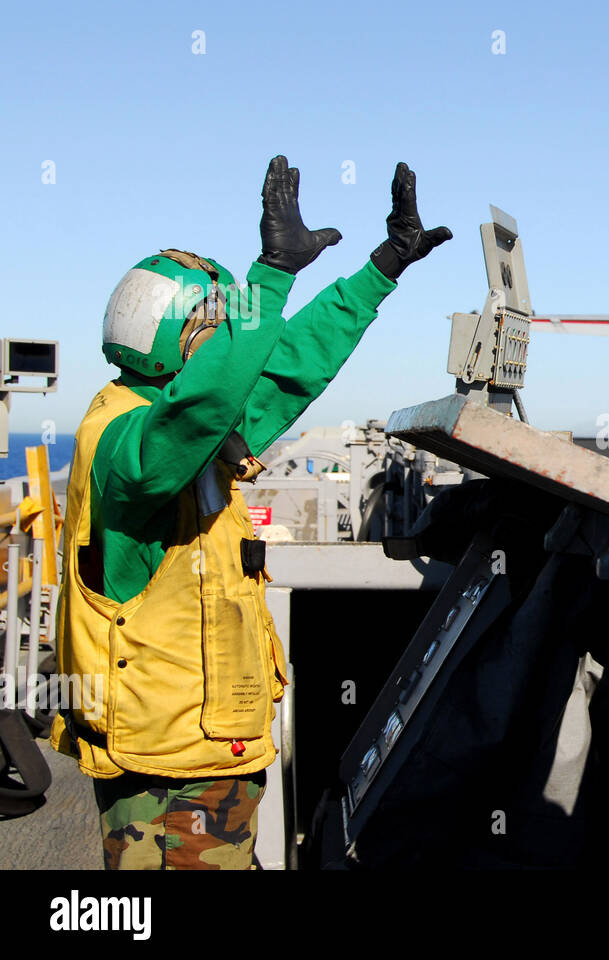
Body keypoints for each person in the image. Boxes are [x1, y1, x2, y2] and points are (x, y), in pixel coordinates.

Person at [51, 155, 450, 869]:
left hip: (205, 749)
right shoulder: (128, 440)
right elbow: (199, 412)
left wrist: (381, 269)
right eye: (217, 326)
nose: (226, 342)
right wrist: (268, 276)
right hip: (166, 768)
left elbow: (289, 366)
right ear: (183, 339)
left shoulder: (172, 427)